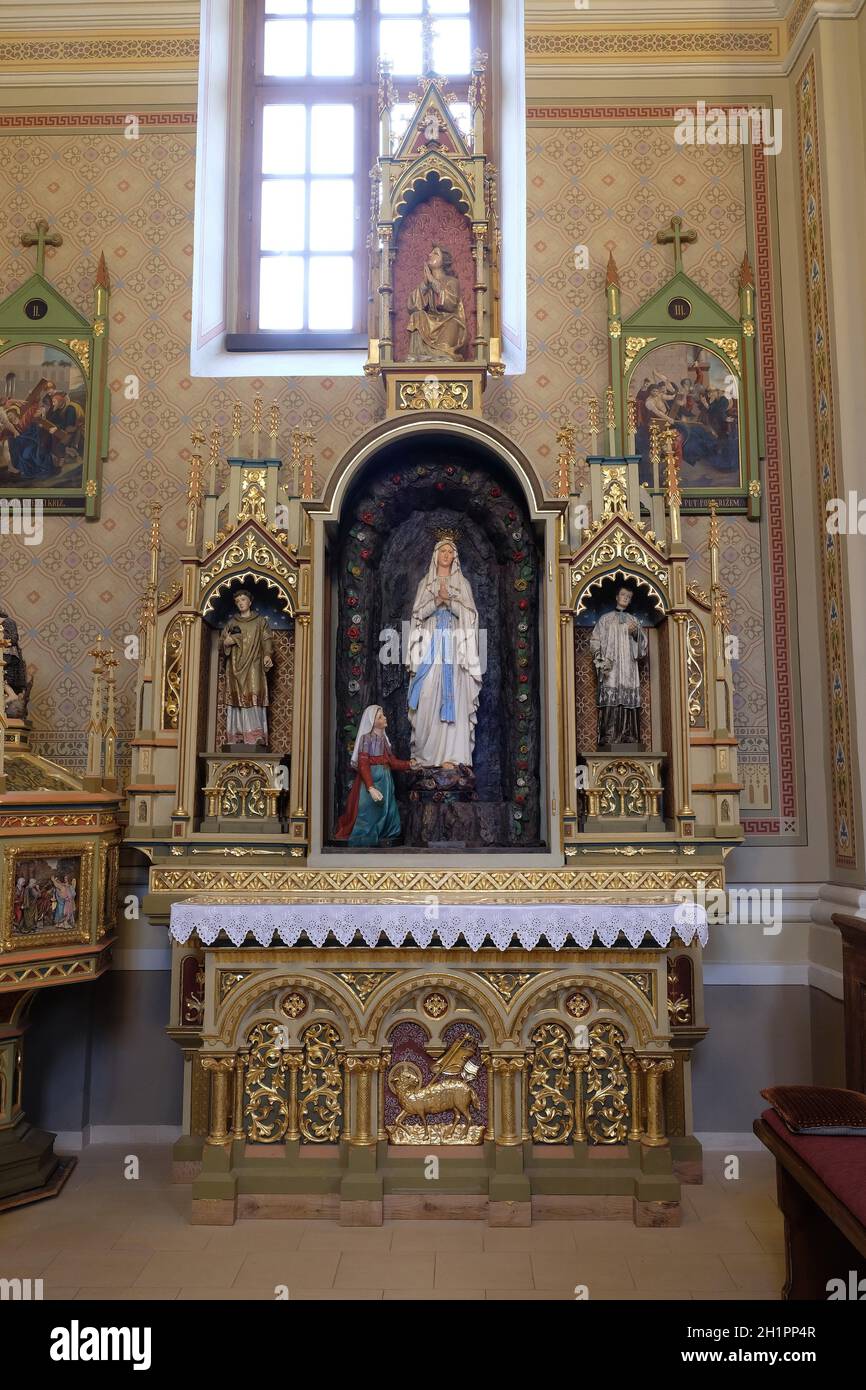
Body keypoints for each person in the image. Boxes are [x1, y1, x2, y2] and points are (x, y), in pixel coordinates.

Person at [407, 537, 482, 769]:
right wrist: (435, 600)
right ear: (436, 555)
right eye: (443, 551)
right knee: (427, 694)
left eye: (451, 551)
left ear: (455, 558)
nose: (447, 555)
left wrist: (449, 602)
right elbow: (417, 616)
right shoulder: (425, 585)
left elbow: (471, 617)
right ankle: (426, 756)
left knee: (456, 699)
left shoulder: (463, 585)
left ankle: (453, 756)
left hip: (455, 651)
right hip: (430, 647)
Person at [334, 705, 414, 847]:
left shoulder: (383, 740)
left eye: (382, 715)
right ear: (373, 722)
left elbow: (392, 762)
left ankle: (386, 831)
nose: (384, 718)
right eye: (380, 717)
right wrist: (370, 787)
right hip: (372, 780)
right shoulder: (367, 739)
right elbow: (363, 764)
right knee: (369, 810)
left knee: (388, 809)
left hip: (386, 781)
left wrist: (409, 764)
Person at [589, 583, 648, 748]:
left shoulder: (633, 620)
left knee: (627, 697)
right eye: (623, 595)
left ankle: (629, 736)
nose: (625, 599)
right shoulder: (605, 619)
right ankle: (609, 737)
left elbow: (643, 645)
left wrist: (635, 632)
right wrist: (600, 659)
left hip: (628, 668)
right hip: (611, 668)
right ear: (617, 597)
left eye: (629, 597)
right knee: (611, 697)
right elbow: (595, 640)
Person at [220, 589, 274, 749]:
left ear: (250, 602)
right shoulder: (232, 623)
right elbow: (221, 642)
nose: (240, 603)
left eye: (243, 599)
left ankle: (256, 736)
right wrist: (226, 642)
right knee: (237, 700)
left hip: (254, 666)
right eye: (237, 601)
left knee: (254, 696)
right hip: (235, 666)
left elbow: (267, 640)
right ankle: (238, 736)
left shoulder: (260, 621)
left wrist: (267, 655)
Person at [407, 245, 467, 362]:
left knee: (453, 323)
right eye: (431, 253)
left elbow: (450, 305)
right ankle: (419, 354)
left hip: (447, 321)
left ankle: (442, 354)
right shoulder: (426, 283)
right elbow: (412, 306)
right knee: (417, 316)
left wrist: (433, 281)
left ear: (444, 261)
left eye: (435, 253)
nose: (430, 255)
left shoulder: (452, 281)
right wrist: (425, 284)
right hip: (430, 321)